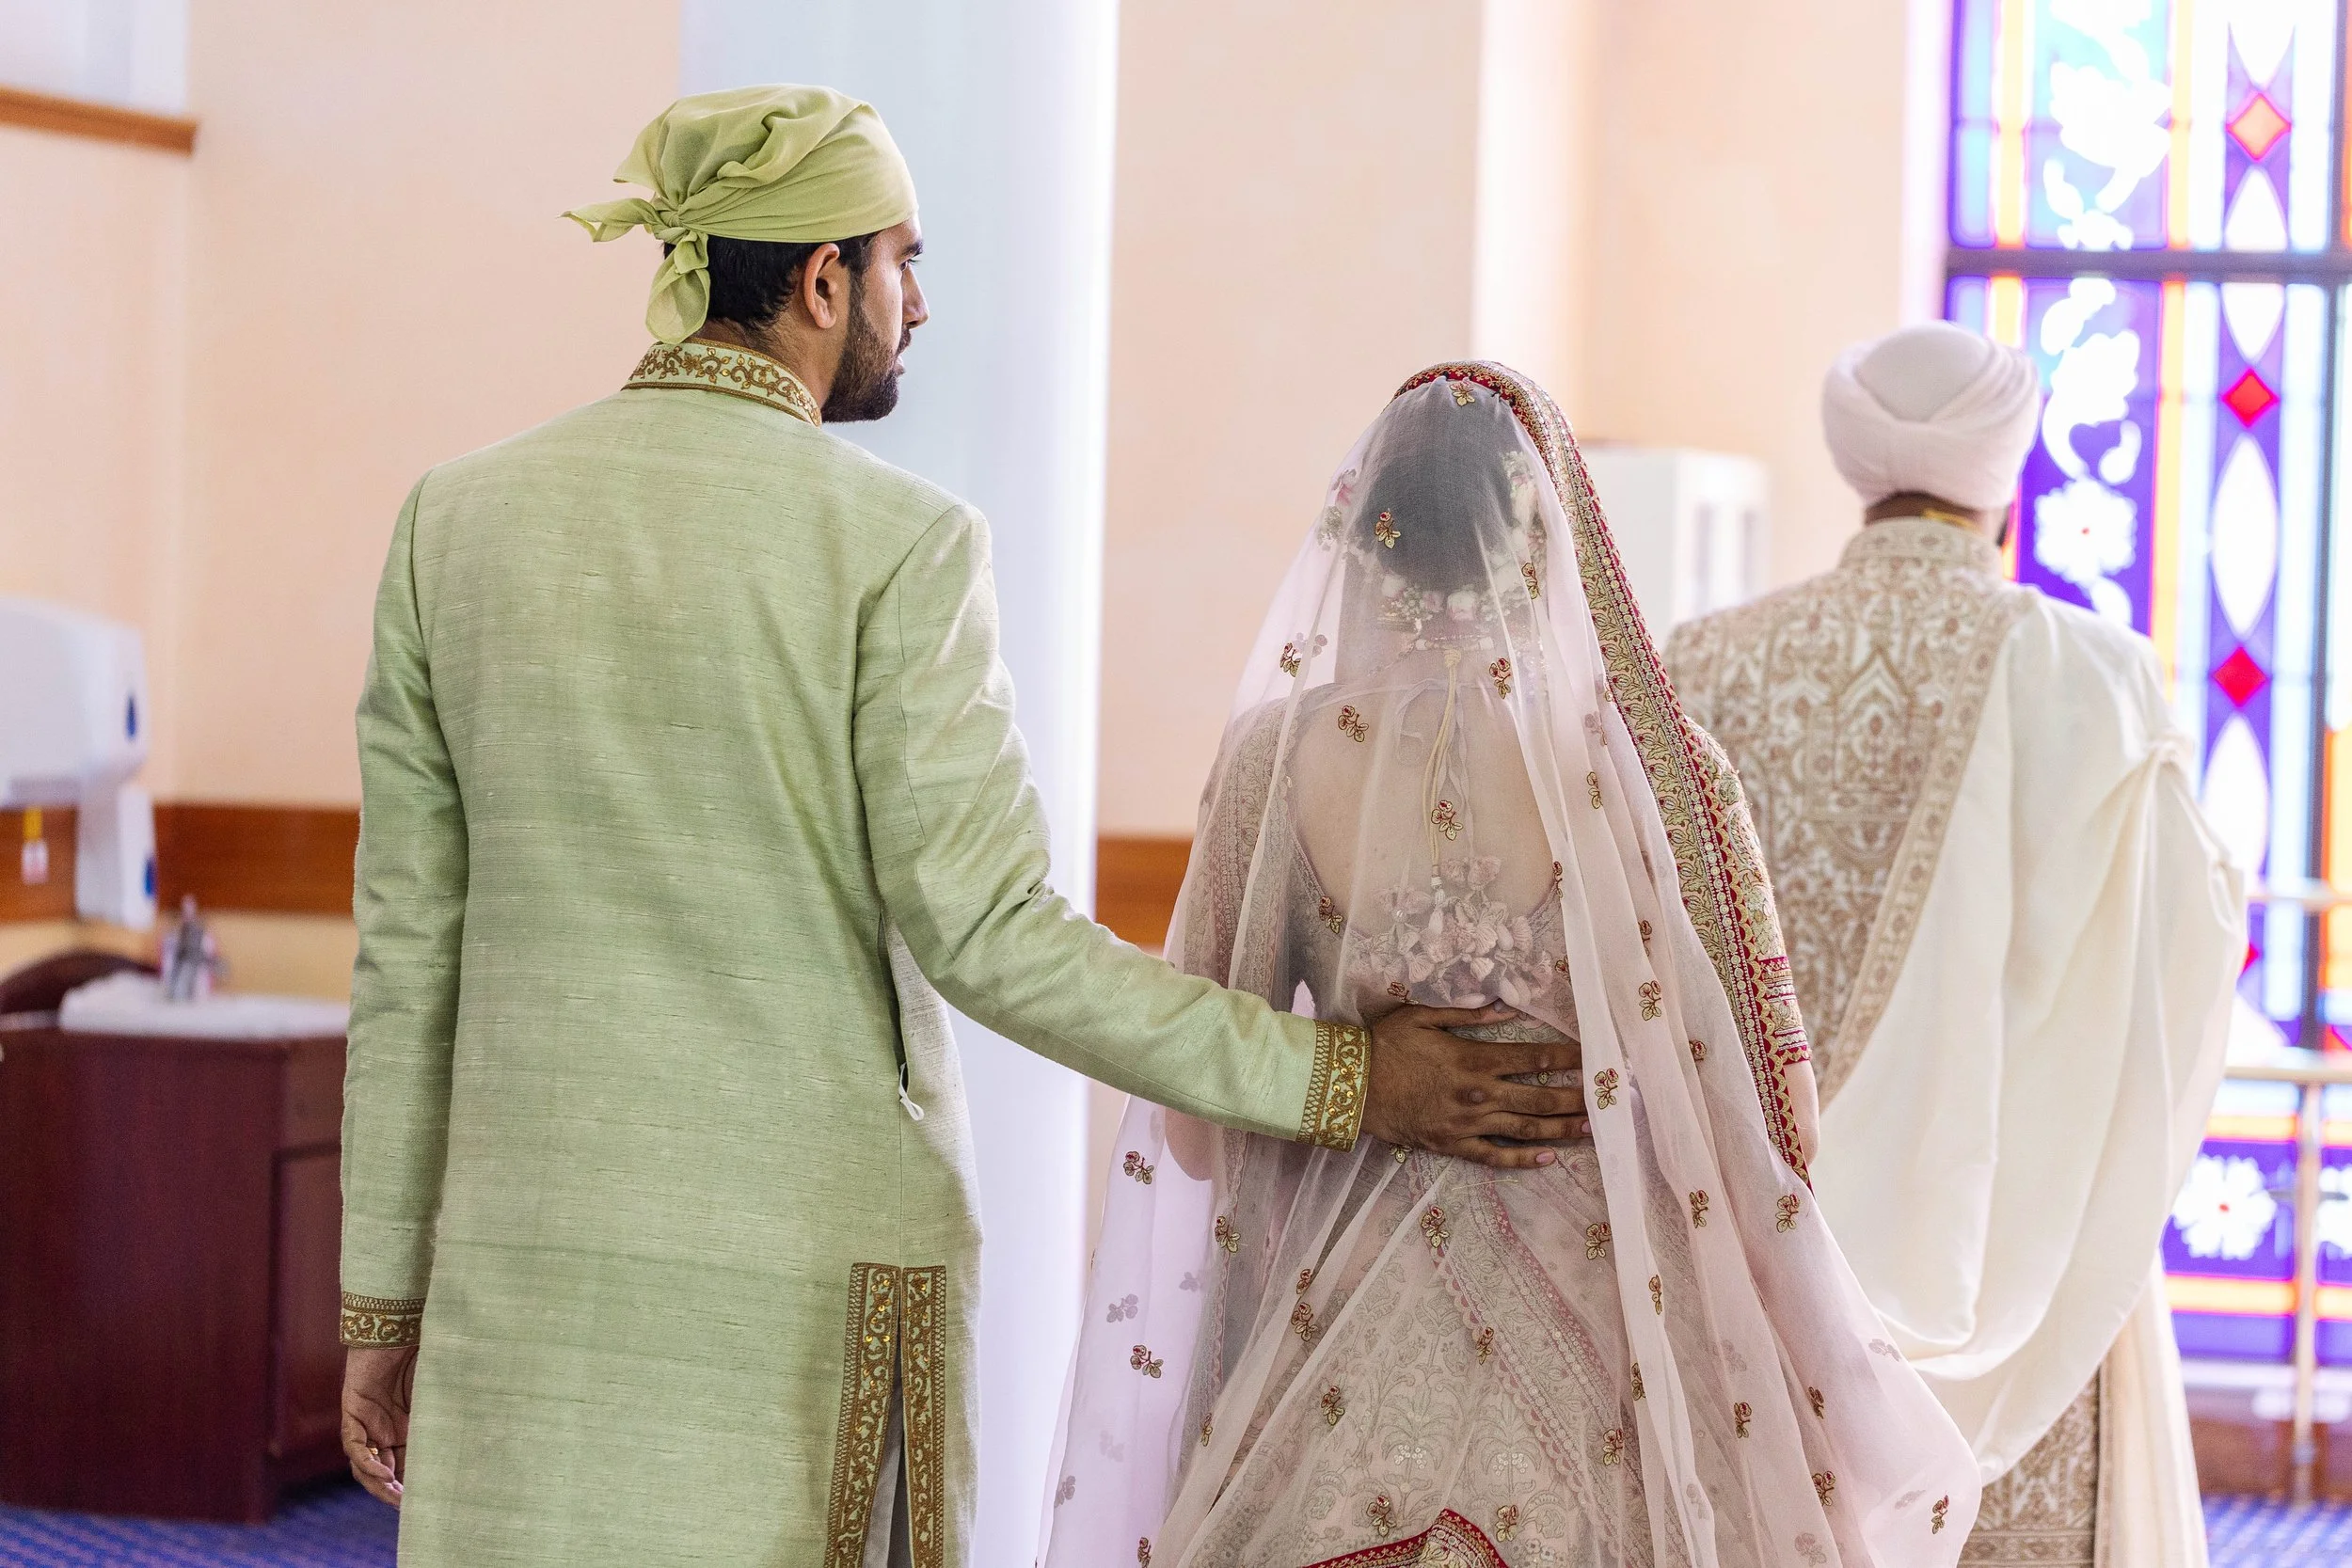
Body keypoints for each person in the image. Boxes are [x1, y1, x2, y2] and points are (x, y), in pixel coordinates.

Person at [333, 87, 1589, 1568]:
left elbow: (409, 954)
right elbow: (997, 940)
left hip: (521, 1275)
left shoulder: (454, 520)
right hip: (808, 1290)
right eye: (901, 263)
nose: (915, 305)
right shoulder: (899, 545)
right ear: (820, 280)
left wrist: (380, 1302)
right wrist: (1342, 1080)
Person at [1040, 363, 1980, 1568]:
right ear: (1551, 538)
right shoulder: (1658, 777)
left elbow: (1194, 1129)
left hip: (1339, 1341)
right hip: (1611, 1335)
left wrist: (1363, 1085)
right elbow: (1775, 1118)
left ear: (1363, 541)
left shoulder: (1280, 761)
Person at [1665, 322, 2243, 1568]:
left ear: (1851, 459)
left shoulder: (1703, 662)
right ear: (2009, 465)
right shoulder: (2095, 674)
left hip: (1765, 1276)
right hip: (2014, 1272)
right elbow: (2174, 972)